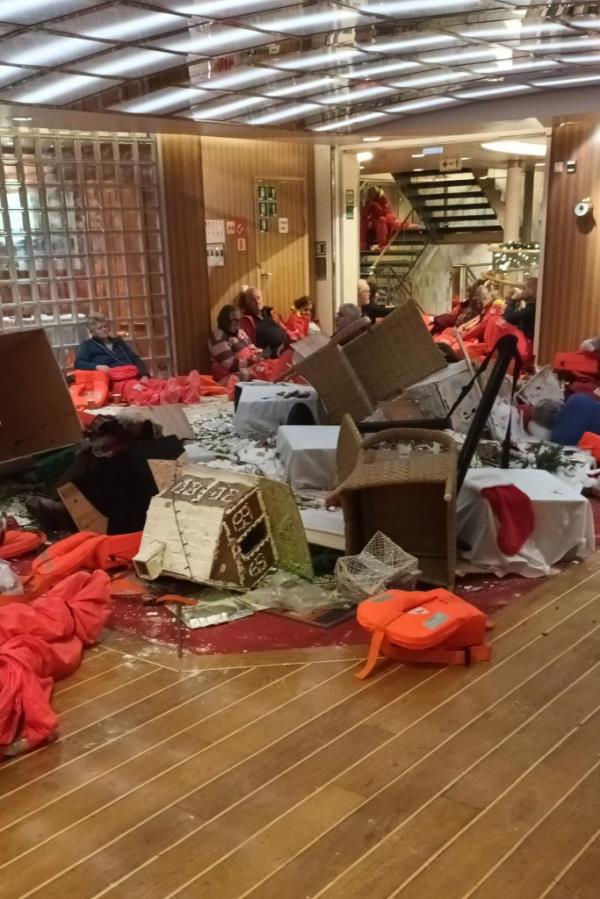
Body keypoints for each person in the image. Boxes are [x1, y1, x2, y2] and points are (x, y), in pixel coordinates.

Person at [75, 312, 147, 377]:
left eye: (105, 326)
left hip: (131, 374)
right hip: (114, 379)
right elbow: (78, 363)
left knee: (156, 385)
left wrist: (144, 375)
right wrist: (96, 366)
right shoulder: (88, 345)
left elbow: (134, 358)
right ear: (93, 332)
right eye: (100, 328)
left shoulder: (118, 341)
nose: (104, 329)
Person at [208, 304, 262, 384]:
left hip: (249, 366)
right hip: (230, 374)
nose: (238, 323)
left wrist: (259, 353)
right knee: (257, 374)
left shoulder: (238, 331)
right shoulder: (218, 337)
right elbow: (230, 364)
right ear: (225, 320)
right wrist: (251, 361)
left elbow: (250, 345)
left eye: (239, 320)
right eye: (235, 320)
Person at [238, 287, 289, 358]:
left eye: (258, 298)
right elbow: (247, 344)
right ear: (247, 303)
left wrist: (292, 337)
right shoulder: (246, 320)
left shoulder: (269, 313)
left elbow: (284, 328)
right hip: (271, 354)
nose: (257, 301)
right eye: (253, 300)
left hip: (286, 347)